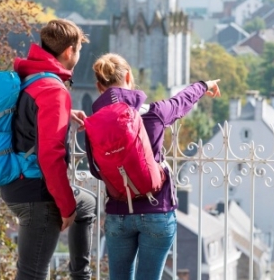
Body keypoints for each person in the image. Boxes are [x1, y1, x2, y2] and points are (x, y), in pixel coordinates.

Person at [90, 53, 221, 280]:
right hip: (156, 209)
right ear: (129, 77)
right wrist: (204, 85)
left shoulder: (95, 124)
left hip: (118, 213)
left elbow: (95, 170)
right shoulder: (155, 113)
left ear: (99, 87)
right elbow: (182, 100)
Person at [0, 19, 96, 280]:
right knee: (32, 275)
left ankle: (81, 275)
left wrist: (66, 114)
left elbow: (26, 118)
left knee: (86, 203)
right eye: (78, 51)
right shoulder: (53, 90)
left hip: (17, 182)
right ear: (69, 51)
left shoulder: (31, 77)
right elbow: (50, 156)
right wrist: (66, 207)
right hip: (36, 192)